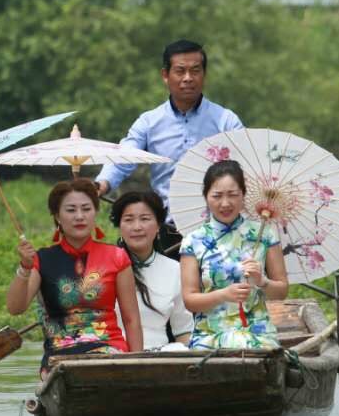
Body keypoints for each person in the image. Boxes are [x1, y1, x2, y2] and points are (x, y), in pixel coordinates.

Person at [95, 39, 244, 256]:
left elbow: (247, 166)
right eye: (180, 71)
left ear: (204, 74)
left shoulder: (226, 121)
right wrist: (102, 184)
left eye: (195, 71)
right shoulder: (149, 122)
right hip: (168, 229)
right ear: (165, 75)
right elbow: (124, 157)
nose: (188, 78)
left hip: (220, 230)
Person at [7, 178, 144, 375]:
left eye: (86, 209)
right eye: (71, 210)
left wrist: (136, 365)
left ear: (95, 213)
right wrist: (25, 268)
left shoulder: (117, 257)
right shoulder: (41, 259)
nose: (79, 216)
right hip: (59, 355)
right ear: (57, 216)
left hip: (108, 350)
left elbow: (131, 320)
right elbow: (15, 308)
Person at [179, 160, 289, 350]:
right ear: (206, 197)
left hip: (257, 332)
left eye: (233, 195)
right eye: (217, 196)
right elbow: (190, 301)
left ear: (243, 195)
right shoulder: (194, 241)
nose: (225, 203)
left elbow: (281, 291)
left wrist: (262, 281)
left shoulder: (265, 234)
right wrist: (223, 295)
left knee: (251, 348)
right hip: (209, 334)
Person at [110, 191, 192, 349]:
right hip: (114, 354)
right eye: (128, 220)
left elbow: (184, 331)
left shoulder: (174, 269)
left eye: (145, 219)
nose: (137, 227)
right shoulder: (105, 266)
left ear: (158, 225)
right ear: (119, 225)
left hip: (159, 358)